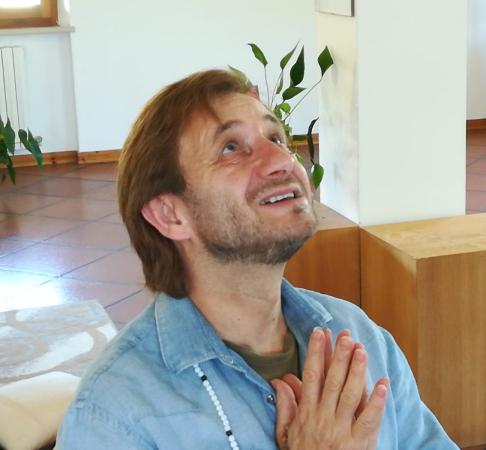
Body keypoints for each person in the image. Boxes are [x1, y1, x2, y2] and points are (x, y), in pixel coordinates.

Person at [56, 69, 458, 449]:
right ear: (170, 215)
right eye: (231, 148)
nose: (283, 160)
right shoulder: (113, 415)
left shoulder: (358, 336)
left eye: (277, 138)